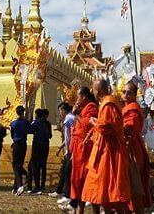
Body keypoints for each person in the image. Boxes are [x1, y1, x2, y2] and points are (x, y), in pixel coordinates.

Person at [81, 79, 131, 213]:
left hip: (108, 153)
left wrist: (93, 123)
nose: (93, 92)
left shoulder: (109, 104)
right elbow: (104, 124)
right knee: (95, 190)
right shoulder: (105, 103)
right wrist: (92, 131)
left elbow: (105, 127)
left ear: (100, 90)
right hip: (101, 151)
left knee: (109, 190)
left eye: (94, 90)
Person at [122, 81, 154, 213]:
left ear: (135, 95)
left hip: (133, 151)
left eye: (129, 92)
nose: (125, 94)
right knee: (127, 188)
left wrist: (114, 126)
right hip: (126, 149)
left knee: (135, 187)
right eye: (124, 92)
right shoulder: (125, 108)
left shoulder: (134, 109)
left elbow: (130, 129)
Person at [69, 86, 98, 214]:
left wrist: (77, 115)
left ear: (84, 97)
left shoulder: (91, 107)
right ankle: (78, 210)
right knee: (79, 181)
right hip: (78, 148)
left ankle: (95, 210)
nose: (77, 99)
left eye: (79, 96)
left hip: (85, 148)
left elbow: (88, 124)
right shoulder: (83, 109)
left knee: (87, 180)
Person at [50, 102, 74, 203]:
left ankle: (67, 194)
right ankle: (60, 191)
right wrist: (61, 147)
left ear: (63, 110)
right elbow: (68, 137)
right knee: (64, 170)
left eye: (60, 111)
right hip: (69, 150)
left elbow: (72, 136)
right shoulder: (71, 117)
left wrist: (69, 151)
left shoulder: (68, 119)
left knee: (67, 172)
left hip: (72, 150)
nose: (60, 113)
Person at [10, 105, 33, 195]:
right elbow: (29, 130)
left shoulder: (13, 123)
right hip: (23, 144)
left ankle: (19, 185)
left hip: (16, 144)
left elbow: (12, 134)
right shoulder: (26, 123)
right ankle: (15, 187)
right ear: (23, 112)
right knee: (19, 164)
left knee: (16, 165)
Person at [27, 108, 45, 193]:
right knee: (32, 166)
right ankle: (30, 185)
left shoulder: (36, 122)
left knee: (34, 166)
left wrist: (28, 121)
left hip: (37, 145)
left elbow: (29, 129)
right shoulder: (43, 123)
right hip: (42, 146)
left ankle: (36, 186)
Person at [40, 108, 52, 191]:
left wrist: (46, 130)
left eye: (46, 116)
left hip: (45, 145)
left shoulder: (48, 124)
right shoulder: (38, 123)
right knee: (37, 165)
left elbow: (50, 136)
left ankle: (42, 184)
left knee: (43, 165)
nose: (44, 117)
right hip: (38, 145)